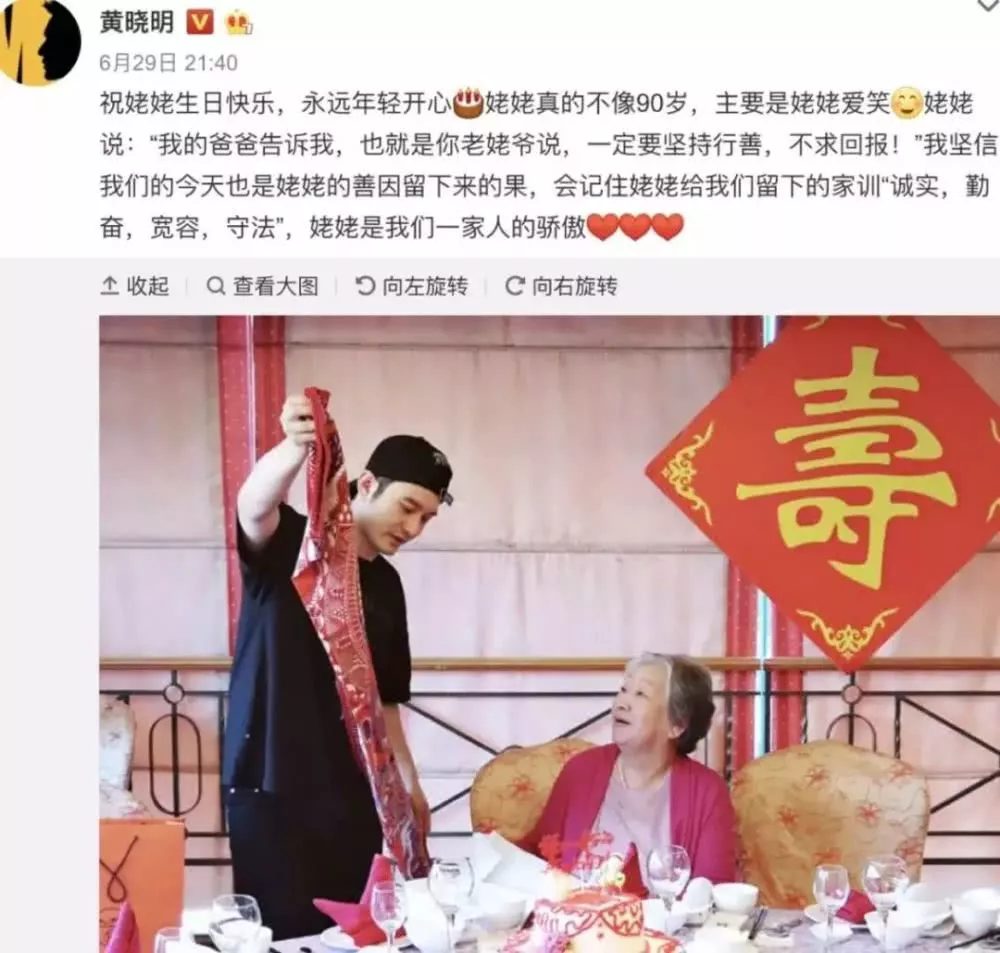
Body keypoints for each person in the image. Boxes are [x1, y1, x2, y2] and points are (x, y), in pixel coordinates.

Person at [222, 393, 454, 940]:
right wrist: (293, 448)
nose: (414, 528)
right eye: (408, 507)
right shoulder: (294, 543)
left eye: (427, 517)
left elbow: (386, 700)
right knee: (279, 935)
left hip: (352, 794)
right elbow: (252, 506)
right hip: (270, 783)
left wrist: (409, 787)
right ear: (366, 484)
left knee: (352, 937)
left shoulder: (387, 587)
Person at [520, 653, 737, 889]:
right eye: (623, 690)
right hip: (576, 910)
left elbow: (713, 890)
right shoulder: (581, 770)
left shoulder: (707, 792)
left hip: (661, 914)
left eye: (640, 694)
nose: (621, 703)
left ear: (677, 725)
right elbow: (537, 854)